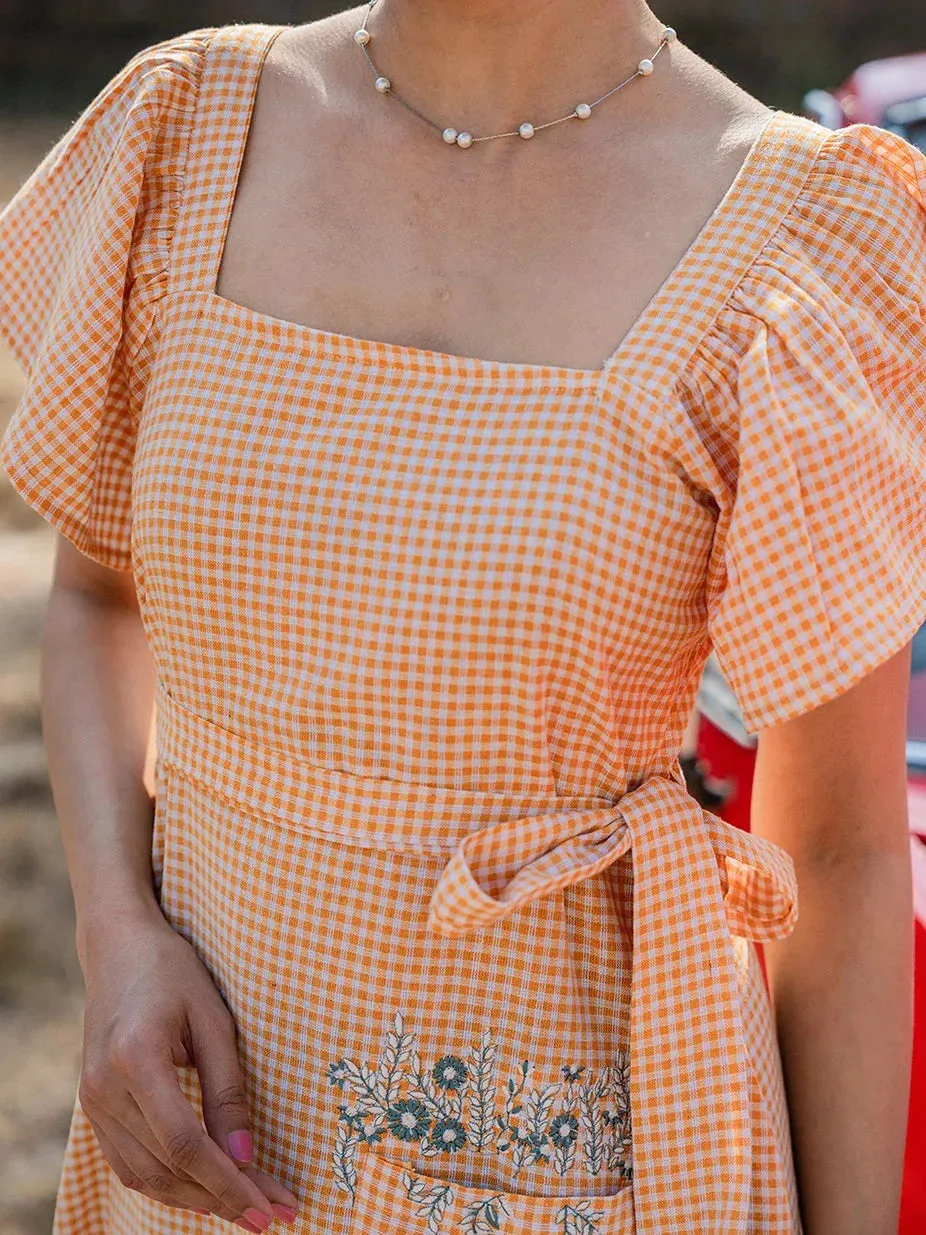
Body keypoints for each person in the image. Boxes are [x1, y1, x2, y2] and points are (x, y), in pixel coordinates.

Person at [1, 1, 924, 1231]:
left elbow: (843, 850)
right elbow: (97, 594)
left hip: (600, 1151)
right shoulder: (186, 122)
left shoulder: (802, 232)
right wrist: (115, 931)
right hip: (193, 1146)